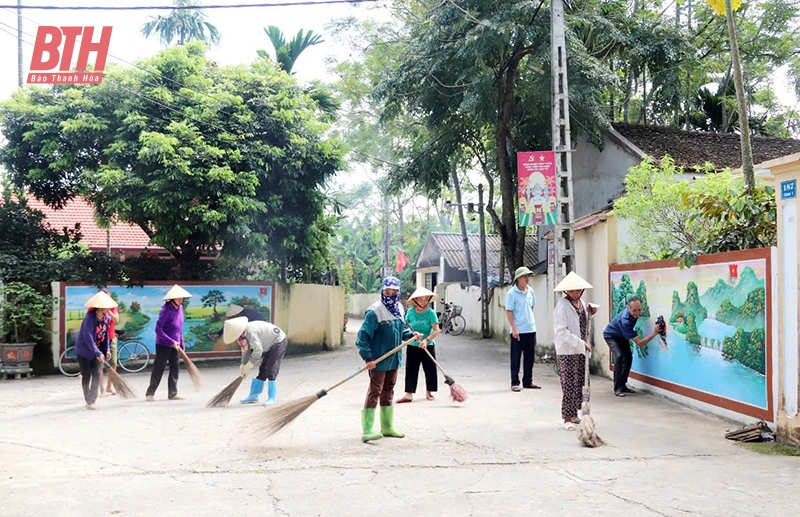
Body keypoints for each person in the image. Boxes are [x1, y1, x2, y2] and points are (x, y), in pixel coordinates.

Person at [356, 276, 417, 442]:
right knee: (375, 391)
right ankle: (367, 430)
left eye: (394, 292)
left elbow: (402, 331)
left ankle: (387, 427)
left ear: (398, 293)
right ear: (382, 291)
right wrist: (368, 357)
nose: (390, 295)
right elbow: (362, 338)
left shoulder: (399, 308)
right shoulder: (375, 311)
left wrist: (411, 335)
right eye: (387, 292)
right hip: (378, 360)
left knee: (389, 391)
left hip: (394, 359)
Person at [553, 272, 597, 430]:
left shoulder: (581, 303)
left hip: (580, 350)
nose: (575, 293)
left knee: (580, 383)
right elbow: (561, 332)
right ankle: (566, 419)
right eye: (571, 291)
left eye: (578, 290)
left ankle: (574, 415)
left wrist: (591, 312)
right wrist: (580, 343)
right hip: (567, 351)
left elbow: (583, 321)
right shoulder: (562, 307)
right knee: (569, 384)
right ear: (566, 292)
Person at [603, 295, 664, 397]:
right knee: (619, 356)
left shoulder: (636, 313)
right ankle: (617, 388)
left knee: (628, 357)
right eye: (634, 311)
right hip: (611, 336)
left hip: (622, 336)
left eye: (639, 310)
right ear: (628, 309)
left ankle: (623, 385)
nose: (637, 313)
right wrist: (654, 333)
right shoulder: (625, 321)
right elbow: (640, 343)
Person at [223, 316, 288, 405]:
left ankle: (272, 398)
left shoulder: (250, 332)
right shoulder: (242, 336)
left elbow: (258, 351)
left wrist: (249, 365)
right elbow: (246, 351)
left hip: (278, 340)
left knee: (271, 368)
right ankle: (253, 396)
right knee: (263, 369)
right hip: (268, 344)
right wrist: (243, 365)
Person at [146, 284, 192, 401]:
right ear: (172, 299)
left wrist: (181, 343)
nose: (181, 300)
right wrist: (171, 342)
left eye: (182, 298)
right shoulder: (165, 310)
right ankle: (150, 393)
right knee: (159, 367)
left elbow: (179, 328)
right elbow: (158, 329)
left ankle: (173, 393)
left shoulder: (180, 308)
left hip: (175, 344)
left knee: (175, 367)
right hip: (163, 344)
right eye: (179, 298)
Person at [397, 287, 440, 404]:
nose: (423, 302)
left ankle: (429, 391)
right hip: (412, 345)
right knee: (411, 369)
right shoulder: (410, 312)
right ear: (415, 300)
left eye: (425, 300)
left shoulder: (431, 313)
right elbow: (405, 326)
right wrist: (412, 335)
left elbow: (436, 330)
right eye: (420, 300)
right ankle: (409, 394)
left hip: (428, 345)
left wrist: (426, 340)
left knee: (430, 368)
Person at [74, 291, 117, 410]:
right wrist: (97, 353)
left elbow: (106, 335)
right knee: (86, 375)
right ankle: (87, 399)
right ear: (101, 307)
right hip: (84, 350)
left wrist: (106, 350)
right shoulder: (89, 318)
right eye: (107, 307)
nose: (109, 309)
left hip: (97, 349)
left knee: (97, 373)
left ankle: (92, 400)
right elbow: (88, 338)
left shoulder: (107, 318)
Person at [505, 266, 539, 391]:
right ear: (518, 278)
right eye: (525, 276)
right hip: (518, 331)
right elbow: (509, 312)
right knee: (516, 358)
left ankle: (528, 381)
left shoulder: (531, 291)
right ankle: (515, 382)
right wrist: (514, 328)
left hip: (530, 329)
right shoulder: (511, 294)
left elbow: (532, 307)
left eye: (528, 276)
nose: (527, 278)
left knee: (530, 358)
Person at [98, 287, 120, 397]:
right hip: (99, 339)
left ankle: (109, 387)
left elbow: (116, 320)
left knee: (113, 363)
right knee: (100, 365)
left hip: (111, 337)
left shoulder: (113, 306)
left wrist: (108, 311)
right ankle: (102, 390)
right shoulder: (94, 308)